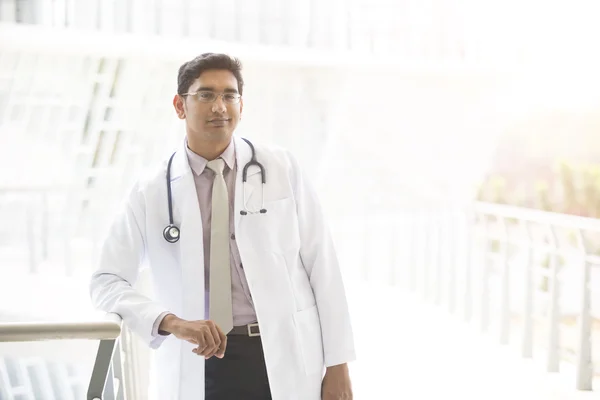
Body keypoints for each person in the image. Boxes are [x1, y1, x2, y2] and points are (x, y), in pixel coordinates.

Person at [89, 53, 355, 400]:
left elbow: (324, 268)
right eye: (206, 95)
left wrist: (338, 368)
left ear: (241, 107)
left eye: (230, 95)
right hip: (203, 363)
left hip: (286, 354)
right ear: (179, 105)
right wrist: (171, 321)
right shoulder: (151, 190)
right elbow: (106, 281)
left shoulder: (280, 168)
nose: (220, 106)